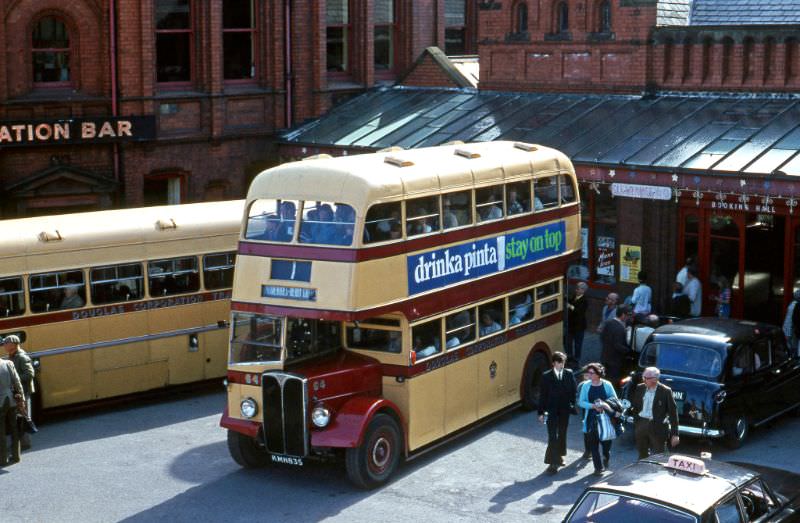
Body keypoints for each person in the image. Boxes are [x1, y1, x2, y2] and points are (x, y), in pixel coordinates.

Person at [577, 362, 620, 476]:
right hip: (591, 419)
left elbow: (615, 400)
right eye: (588, 373)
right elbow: (581, 402)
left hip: (606, 419)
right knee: (593, 444)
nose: (589, 375)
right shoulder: (586, 385)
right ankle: (598, 468)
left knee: (606, 444)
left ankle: (606, 456)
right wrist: (593, 406)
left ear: (598, 374)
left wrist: (604, 405)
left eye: (591, 373)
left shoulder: (607, 384)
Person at [538, 352, 577, 474]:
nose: (561, 365)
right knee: (552, 436)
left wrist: (572, 403)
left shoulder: (568, 374)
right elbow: (542, 396)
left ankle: (560, 456)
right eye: (559, 363)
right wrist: (540, 412)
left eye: (563, 363)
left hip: (564, 410)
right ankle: (552, 462)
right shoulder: (546, 376)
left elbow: (573, 390)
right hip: (552, 410)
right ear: (554, 363)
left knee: (562, 433)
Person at [630, 367, 680, 459]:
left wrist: (675, 434)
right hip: (641, 424)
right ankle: (641, 471)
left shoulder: (665, 391)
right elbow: (636, 407)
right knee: (642, 454)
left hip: (657, 427)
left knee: (659, 455)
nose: (644, 380)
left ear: (655, 379)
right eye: (643, 377)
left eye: (646, 378)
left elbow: (673, 413)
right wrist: (637, 422)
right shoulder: (640, 388)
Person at [3, 335, 34, 450]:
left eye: (6, 343)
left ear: (13, 344)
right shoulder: (12, 356)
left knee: (24, 417)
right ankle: (21, 443)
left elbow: (29, 374)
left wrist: (14, 379)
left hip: (24, 391)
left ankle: (25, 443)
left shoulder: (21, 357)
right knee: (20, 417)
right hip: (18, 392)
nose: (4, 345)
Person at [0, 356, 23, 466]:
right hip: (11, 400)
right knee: (14, 429)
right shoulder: (8, 363)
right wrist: (21, 399)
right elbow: (17, 382)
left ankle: (3, 459)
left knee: (1, 432)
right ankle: (16, 456)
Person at [600, 304, 631, 386]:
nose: (628, 318)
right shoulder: (620, 329)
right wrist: (629, 351)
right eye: (628, 315)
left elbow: (602, 337)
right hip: (615, 361)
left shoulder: (608, 323)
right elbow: (618, 346)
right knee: (613, 383)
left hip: (605, 356)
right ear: (623, 315)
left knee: (604, 380)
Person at [567, 282, 588, 364]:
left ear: (583, 290)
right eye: (576, 288)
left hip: (579, 326)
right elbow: (570, 301)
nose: (576, 290)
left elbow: (579, 311)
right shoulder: (574, 296)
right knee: (569, 342)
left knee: (577, 344)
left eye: (578, 288)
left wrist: (570, 306)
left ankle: (577, 359)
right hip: (571, 325)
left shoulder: (585, 300)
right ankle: (570, 356)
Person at [783, 289, 800, 355]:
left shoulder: (792, 304)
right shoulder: (795, 306)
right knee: (793, 349)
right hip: (791, 331)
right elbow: (793, 321)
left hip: (788, 330)